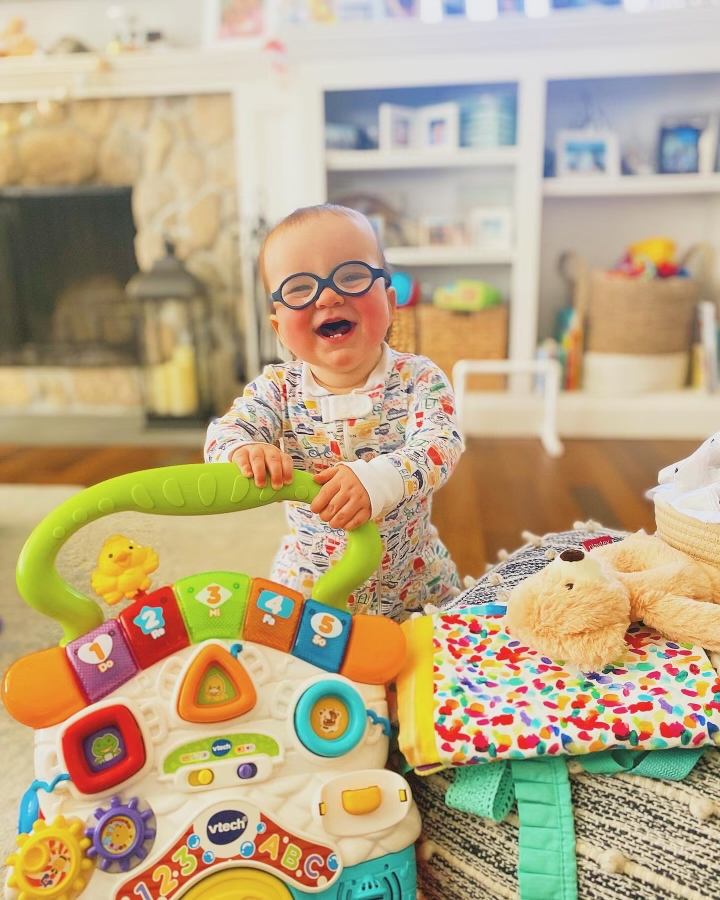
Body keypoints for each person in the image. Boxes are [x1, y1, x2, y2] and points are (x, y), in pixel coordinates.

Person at [205, 203, 463, 620]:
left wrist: (378, 479)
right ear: (279, 327)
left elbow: (440, 445)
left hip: (412, 584)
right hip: (311, 584)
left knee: (439, 652)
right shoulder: (277, 389)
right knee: (286, 648)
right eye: (299, 288)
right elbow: (225, 433)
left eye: (352, 276)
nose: (328, 296)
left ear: (390, 302)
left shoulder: (419, 378)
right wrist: (243, 451)